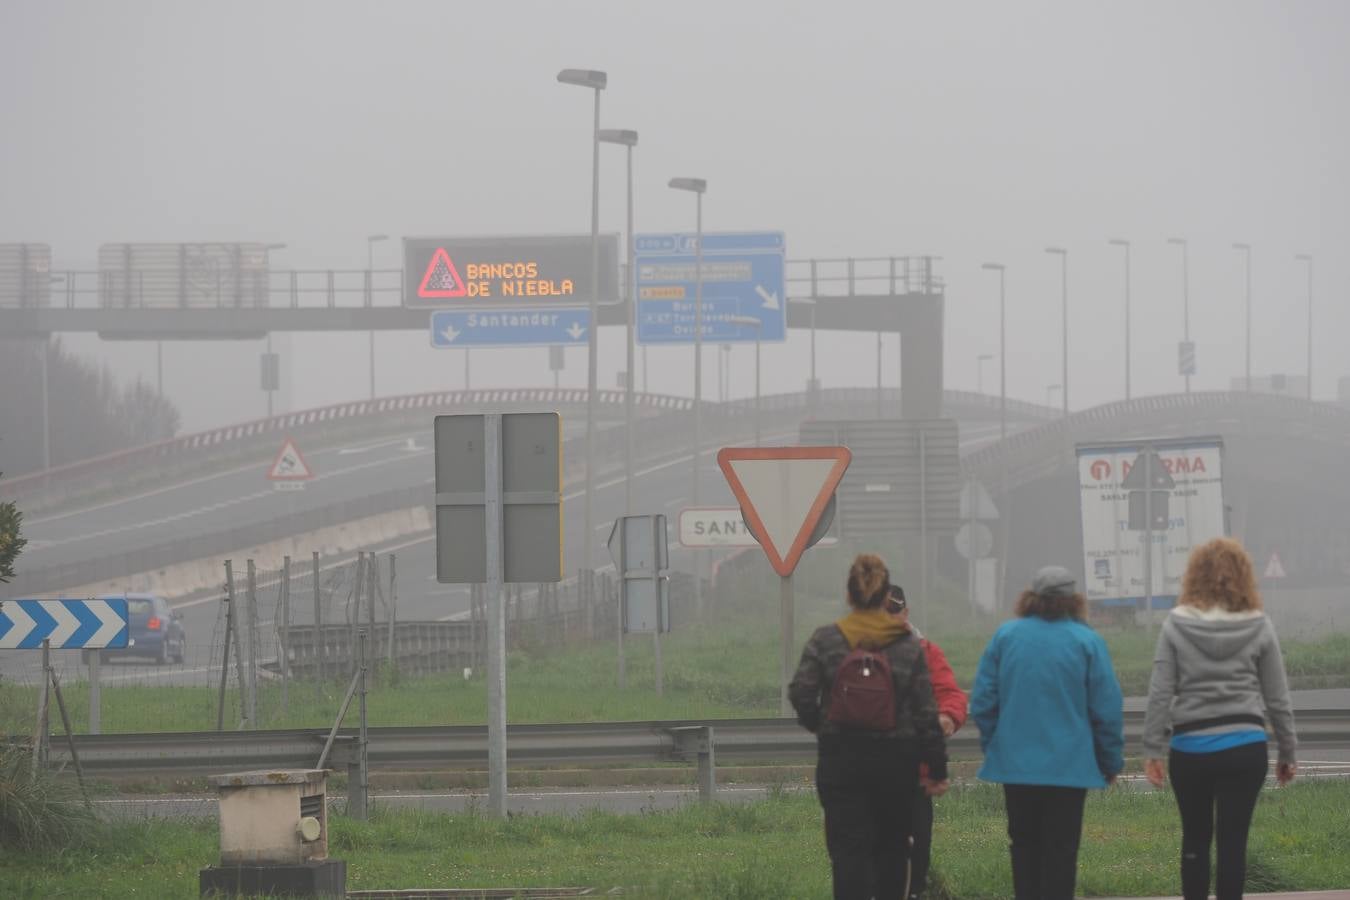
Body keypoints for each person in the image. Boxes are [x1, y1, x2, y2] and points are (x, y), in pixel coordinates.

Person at [1143, 537, 1297, 900]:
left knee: (1194, 839)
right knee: (1233, 843)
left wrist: (1152, 748)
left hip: (1190, 749)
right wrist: (1288, 752)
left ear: (1193, 577)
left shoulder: (1175, 625)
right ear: (1244, 577)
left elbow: (1160, 692)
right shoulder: (1259, 625)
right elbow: (1277, 698)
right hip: (1244, 747)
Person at [789, 554, 950, 900]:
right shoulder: (907, 646)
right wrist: (936, 768)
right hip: (896, 766)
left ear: (849, 596)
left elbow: (800, 693)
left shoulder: (827, 640)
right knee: (893, 850)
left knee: (848, 852)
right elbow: (925, 712)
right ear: (884, 596)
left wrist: (823, 726)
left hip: (841, 762)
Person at [969, 565, 1124, 900]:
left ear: (1031, 598)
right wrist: (1109, 761)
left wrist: (996, 744)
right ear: (1074, 600)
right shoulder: (1087, 641)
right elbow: (1106, 709)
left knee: (1023, 847)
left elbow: (982, 701)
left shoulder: (1006, 637)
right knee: (1062, 851)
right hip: (1069, 770)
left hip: (1017, 767)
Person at [885, 584, 967, 900]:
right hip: (867, 771)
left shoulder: (926, 652)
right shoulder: (854, 653)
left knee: (918, 844)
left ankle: (915, 891)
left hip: (915, 772)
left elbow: (950, 694)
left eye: (894, 612)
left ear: (905, 613)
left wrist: (947, 717)